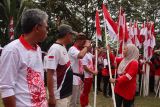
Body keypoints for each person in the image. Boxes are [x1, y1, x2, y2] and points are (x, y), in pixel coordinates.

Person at [0, 9, 48, 107]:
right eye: (46, 27)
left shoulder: (37, 48)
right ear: (37, 28)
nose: (47, 31)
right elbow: (6, 88)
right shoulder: (12, 50)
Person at [45, 24, 76, 107]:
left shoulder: (62, 47)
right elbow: (49, 73)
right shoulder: (55, 49)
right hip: (58, 95)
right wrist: (51, 96)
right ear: (67, 35)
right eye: (72, 35)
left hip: (64, 94)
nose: (73, 37)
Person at [68, 33, 91, 107]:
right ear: (79, 41)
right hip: (74, 78)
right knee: (73, 102)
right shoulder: (72, 49)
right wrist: (87, 46)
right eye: (83, 43)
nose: (83, 45)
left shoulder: (78, 50)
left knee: (77, 101)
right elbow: (80, 55)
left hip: (79, 78)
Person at [80, 41, 97, 107]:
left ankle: (86, 103)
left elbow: (95, 57)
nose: (91, 47)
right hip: (86, 76)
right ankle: (84, 104)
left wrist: (98, 51)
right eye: (90, 45)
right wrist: (93, 72)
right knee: (85, 92)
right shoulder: (84, 55)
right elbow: (85, 67)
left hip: (90, 76)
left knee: (87, 91)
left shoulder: (89, 54)